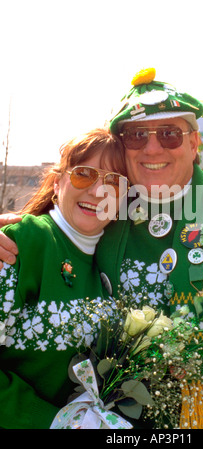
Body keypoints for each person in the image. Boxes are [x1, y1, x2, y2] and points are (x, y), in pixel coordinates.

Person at [1, 68, 203, 429]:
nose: (153, 147)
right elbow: (62, 226)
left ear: (194, 145)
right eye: (136, 136)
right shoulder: (109, 217)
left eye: (170, 134)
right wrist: (20, 227)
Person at [0, 128, 128, 429]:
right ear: (57, 183)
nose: (98, 192)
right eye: (84, 174)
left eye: (113, 182)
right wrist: (52, 423)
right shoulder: (22, 243)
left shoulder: (115, 259)